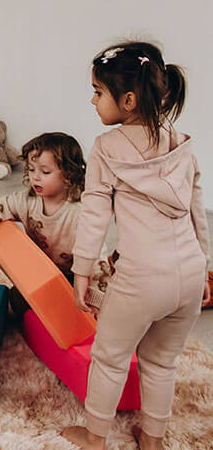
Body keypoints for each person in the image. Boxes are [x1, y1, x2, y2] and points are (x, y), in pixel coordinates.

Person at [61, 41, 211, 450]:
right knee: (162, 361)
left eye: (97, 92)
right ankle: (154, 439)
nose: (92, 101)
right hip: (189, 273)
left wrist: (82, 271)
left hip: (142, 279)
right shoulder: (182, 141)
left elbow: (94, 215)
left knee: (109, 357)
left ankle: (95, 437)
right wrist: (206, 266)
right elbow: (197, 209)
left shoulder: (107, 148)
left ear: (127, 100)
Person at [0, 132, 110, 317]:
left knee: (91, 308)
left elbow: (96, 261)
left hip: (76, 277)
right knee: (16, 302)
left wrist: (95, 302)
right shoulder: (27, 200)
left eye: (45, 172)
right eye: (31, 170)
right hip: (42, 274)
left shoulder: (80, 213)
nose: (35, 177)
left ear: (69, 175)